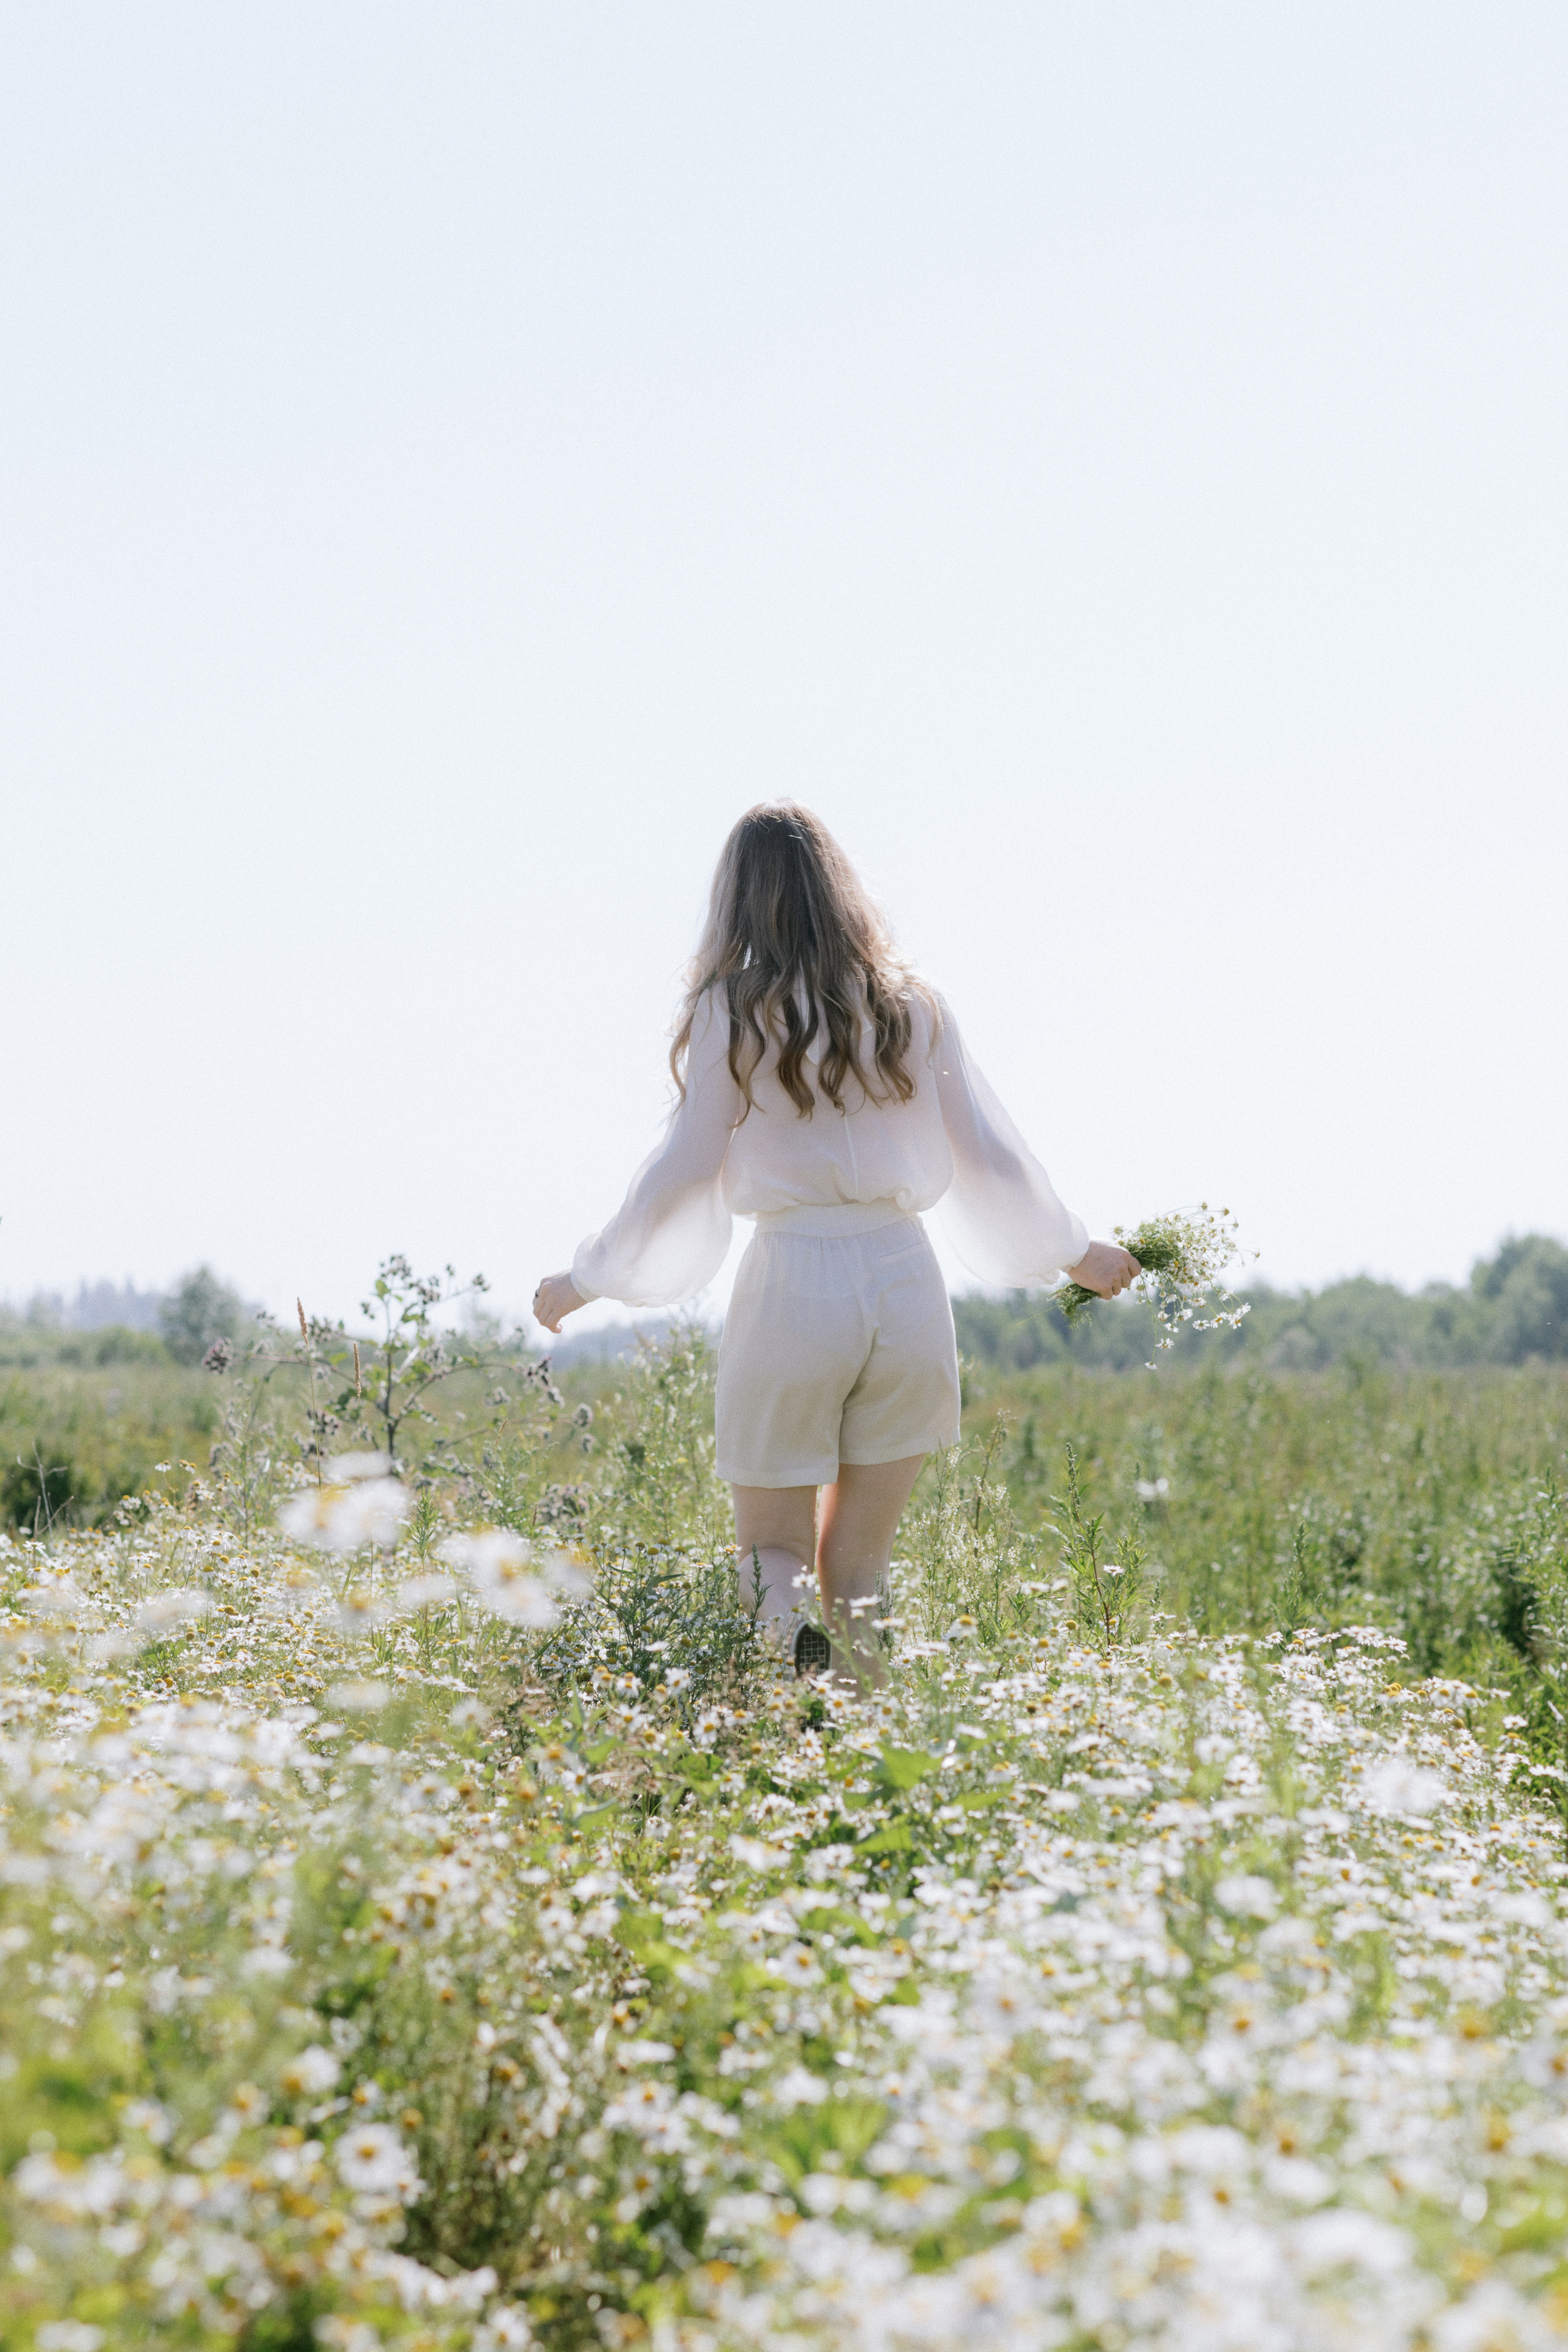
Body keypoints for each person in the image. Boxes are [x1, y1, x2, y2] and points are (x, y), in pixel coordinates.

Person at [533, 802, 1138, 1679]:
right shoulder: (912, 1005)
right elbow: (992, 1157)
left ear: (736, 901)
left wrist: (588, 1276)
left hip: (793, 1280)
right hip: (906, 1281)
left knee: (771, 1551)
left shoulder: (731, 1012)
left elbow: (683, 1166)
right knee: (859, 1570)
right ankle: (862, 1750)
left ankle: (791, 1657)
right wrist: (1077, 1252)